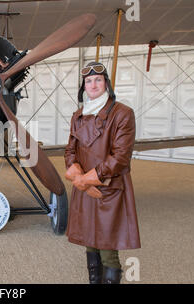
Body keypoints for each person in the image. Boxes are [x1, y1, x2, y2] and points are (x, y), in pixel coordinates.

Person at [64, 62, 140, 284]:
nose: (93, 84)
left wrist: (86, 180)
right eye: (88, 81)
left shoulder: (123, 113)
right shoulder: (78, 115)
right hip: (85, 187)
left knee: (107, 245)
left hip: (108, 187)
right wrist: (78, 176)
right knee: (90, 241)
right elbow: (70, 151)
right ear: (83, 87)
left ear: (106, 82)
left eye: (98, 79)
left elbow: (120, 157)